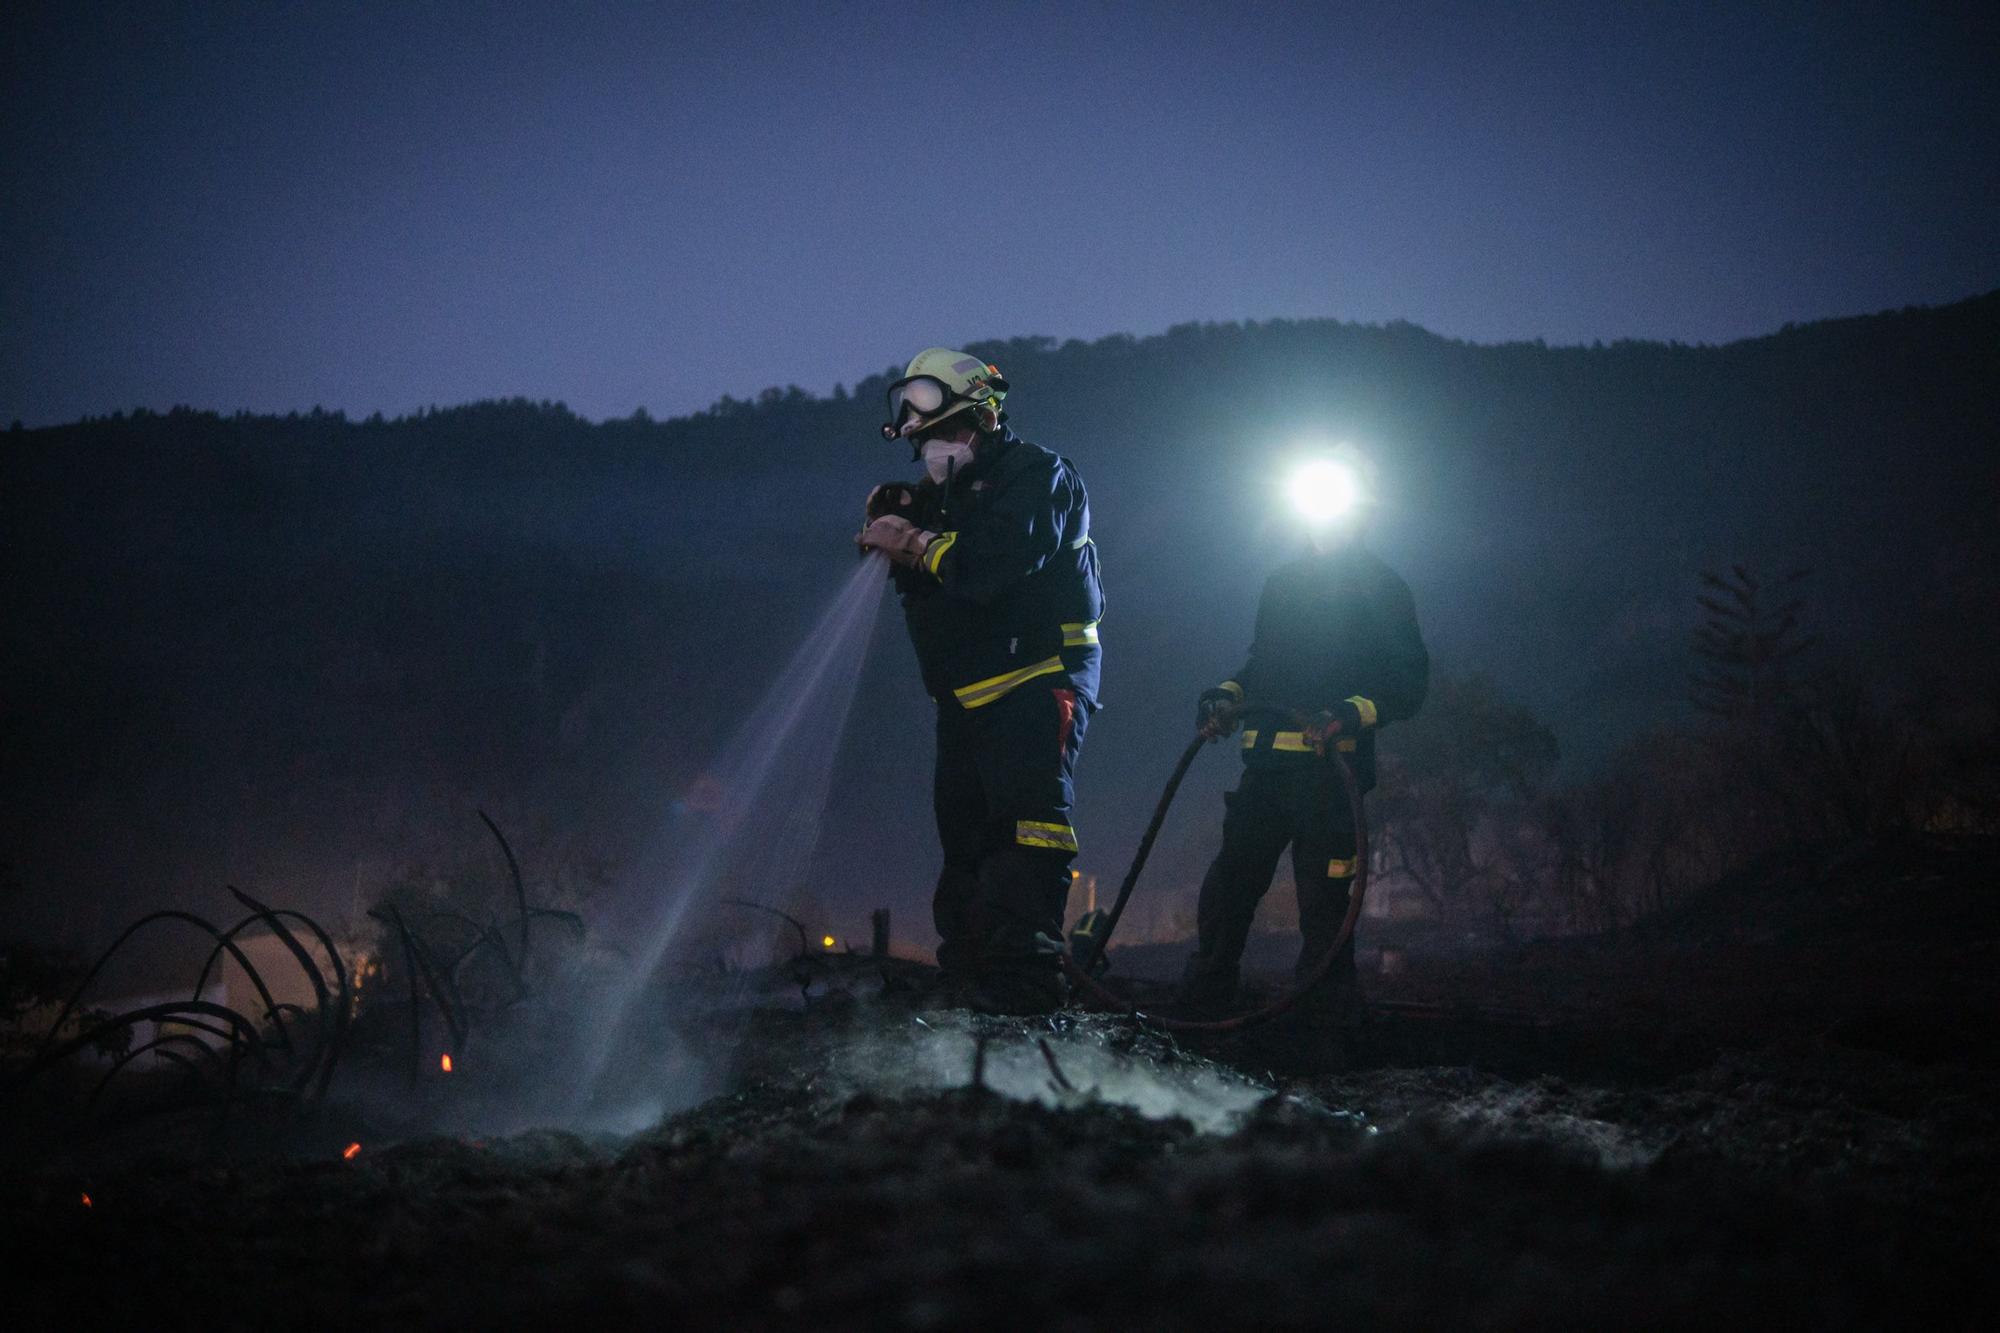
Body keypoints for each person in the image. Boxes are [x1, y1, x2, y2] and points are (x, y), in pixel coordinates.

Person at [857, 348, 1104, 1014]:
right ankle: (968, 990)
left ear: (984, 418)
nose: (932, 448)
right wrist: (903, 527)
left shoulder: (1039, 476)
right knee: (965, 848)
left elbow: (992, 564)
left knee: (1027, 835)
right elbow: (940, 580)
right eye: (923, 440)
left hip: (1037, 681)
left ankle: (1027, 991)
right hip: (966, 702)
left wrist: (914, 541)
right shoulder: (949, 497)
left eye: (942, 433)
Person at [1178, 446, 1429, 1024]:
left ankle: (1323, 1023)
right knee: (1228, 892)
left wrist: (1349, 711)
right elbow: (1262, 667)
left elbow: (1407, 685)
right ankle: (1204, 1007)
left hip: (1329, 785)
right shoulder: (1284, 585)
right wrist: (1225, 696)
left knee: (1324, 908)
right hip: (1264, 777)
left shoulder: (1384, 590)